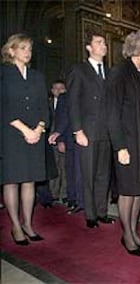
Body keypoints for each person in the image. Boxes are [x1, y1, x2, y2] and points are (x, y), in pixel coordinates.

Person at [107, 28, 140, 256]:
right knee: (128, 190)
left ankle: (134, 231)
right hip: (127, 142)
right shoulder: (119, 73)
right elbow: (112, 113)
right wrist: (120, 147)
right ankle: (126, 235)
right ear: (138, 50)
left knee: (139, 189)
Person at [1, 33, 49, 245]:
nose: (27, 52)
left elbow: (43, 106)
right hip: (12, 134)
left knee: (29, 180)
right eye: (22, 48)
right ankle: (15, 226)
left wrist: (39, 128)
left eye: (29, 48)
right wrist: (24, 129)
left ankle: (28, 223)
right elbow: (3, 107)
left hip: (34, 133)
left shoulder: (37, 76)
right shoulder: (3, 74)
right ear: (11, 51)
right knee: (12, 180)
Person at [67, 31, 115, 228]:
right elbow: (73, 103)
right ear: (89, 47)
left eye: (104, 42)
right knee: (88, 174)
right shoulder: (79, 70)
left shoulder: (110, 72)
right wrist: (78, 131)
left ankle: (102, 212)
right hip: (87, 131)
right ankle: (90, 215)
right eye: (99, 42)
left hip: (106, 131)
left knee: (104, 174)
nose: (104, 45)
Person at [48, 89, 84, 214]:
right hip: (69, 139)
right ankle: (73, 199)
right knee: (71, 171)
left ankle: (83, 200)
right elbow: (61, 118)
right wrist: (60, 139)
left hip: (88, 138)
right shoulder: (64, 98)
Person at [48, 80, 67, 202]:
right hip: (49, 141)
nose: (59, 90)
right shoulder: (46, 103)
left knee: (64, 168)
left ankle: (65, 194)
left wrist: (61, 139)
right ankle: (53, 194)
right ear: (51, 90)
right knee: (53, 168)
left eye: (62, 88)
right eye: (56, 88)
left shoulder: (67, 104)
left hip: (63, 139)